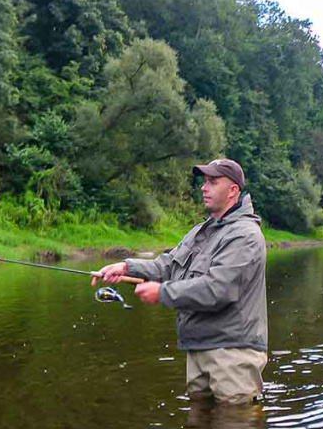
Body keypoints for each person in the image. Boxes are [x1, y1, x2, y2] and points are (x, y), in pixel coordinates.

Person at [92, 158, 268, 404]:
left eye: (212, 182)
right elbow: (166, 265)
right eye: (204, 181)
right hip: (197, 347)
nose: (203, 188)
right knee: (198, 428)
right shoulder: (200, 231)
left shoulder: (245, 235)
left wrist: (162, 293)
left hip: (232, 353)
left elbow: (217, 290)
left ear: (233, 191)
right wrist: (126, 266)